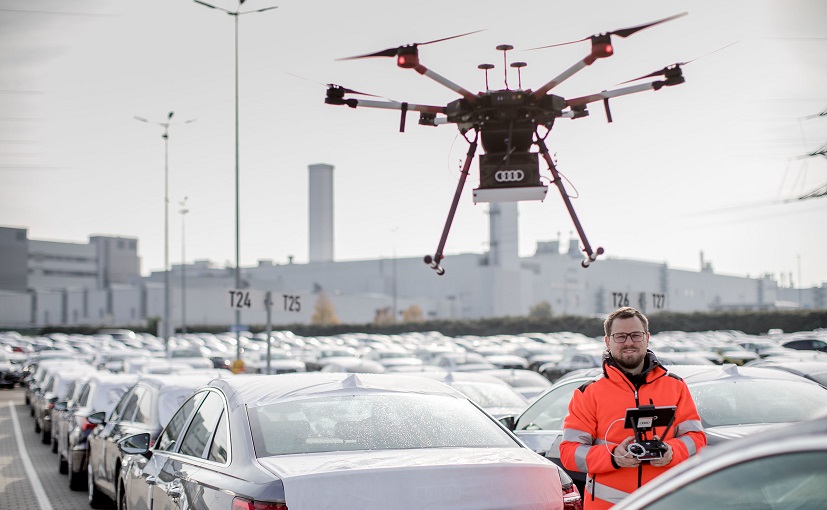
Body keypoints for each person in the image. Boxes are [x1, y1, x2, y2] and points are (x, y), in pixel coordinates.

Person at [559, 307, 706, 509]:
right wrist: (614, 456)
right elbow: (569, 453)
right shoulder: (588, 393)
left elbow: (696, 438)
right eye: (620, 336)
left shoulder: (676, 386)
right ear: (607, 341)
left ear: (647, 338)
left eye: (636, 335)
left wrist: (672, 451)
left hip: (667, 503)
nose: (629, 342)